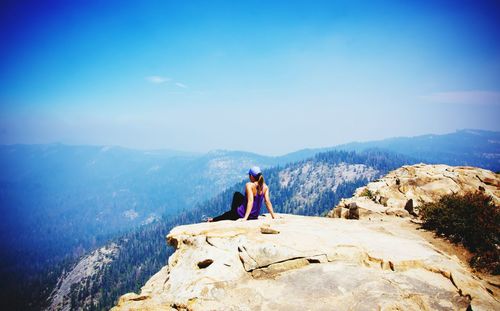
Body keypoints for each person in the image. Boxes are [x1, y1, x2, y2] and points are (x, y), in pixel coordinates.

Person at [208, 166, 276, 222]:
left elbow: (250, 201)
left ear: (252, 176)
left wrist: (245, 218)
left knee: (234, 200)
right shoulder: (265, 187)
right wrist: (273, 216)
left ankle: (214, 219)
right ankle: (228, 214)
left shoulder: (249, 185)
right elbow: (267, 202)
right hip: (254, 216)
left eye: (249, 175)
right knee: (239, 196)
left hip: (241, 214)